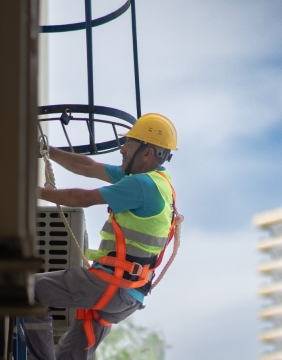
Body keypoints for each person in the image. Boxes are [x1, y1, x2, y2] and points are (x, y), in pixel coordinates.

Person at [23, 113, 178, 360]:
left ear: (147, 153)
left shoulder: (142, 186)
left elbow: (81, 199)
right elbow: (88, 167)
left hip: (111, 285)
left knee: (29, 290)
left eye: (129, 142)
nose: (122, 149)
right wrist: (47, 150)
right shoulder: (156, 183)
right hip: (128, 294)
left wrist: (30, 191)